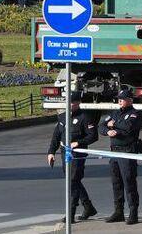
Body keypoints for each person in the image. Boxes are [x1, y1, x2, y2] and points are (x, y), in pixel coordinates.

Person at [46, 91, 99, 222]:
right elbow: (57, 135)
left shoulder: (85, 117)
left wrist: (79, 142)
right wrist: (51, 152)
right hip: (65, 152)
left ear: (78, 103)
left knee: (73, 180)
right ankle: (88, 207)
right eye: (67, 102)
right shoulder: (62, 117)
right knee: (72, 180)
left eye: (72, 102)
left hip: (77, 154)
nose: (69, 104)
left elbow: (93, 136)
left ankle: (71, 213)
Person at [98, 88, 142, 225]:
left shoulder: (135, 114)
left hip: (127, 152)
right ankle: (119, 211)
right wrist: (107, 131)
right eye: (119, 99)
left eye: (122, 99)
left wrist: (114, 125)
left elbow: (128, 127)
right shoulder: (115, 113)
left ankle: (133, 212)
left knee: (129, 182)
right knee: (116, 183)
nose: (119, 101)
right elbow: (101, 126)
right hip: (114, 152)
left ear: (130, 100)